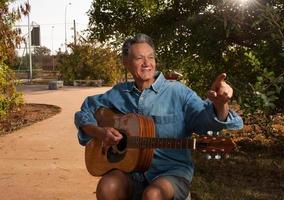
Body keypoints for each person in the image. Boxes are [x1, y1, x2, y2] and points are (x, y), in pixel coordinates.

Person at [74, 33, 243, 200]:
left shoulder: (178, 92)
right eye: (139, 58)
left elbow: (206, 122)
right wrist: (100, 133)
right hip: (129, 172)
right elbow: (84, 112)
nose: (147, 63)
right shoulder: (118, 93)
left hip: (171, 172)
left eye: (151, 57)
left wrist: (221, 105)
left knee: (153, 195)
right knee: (107, 187)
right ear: (126, 63)